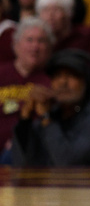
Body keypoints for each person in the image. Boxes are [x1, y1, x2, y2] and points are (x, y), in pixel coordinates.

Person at [11, 48, 90, 167]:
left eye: (72, 75)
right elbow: (23, 163)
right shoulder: (54, 114)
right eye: (57, 76)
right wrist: (25, 119)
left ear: (87, 82)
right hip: (53, 185)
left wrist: (46, 118)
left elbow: (68, 164)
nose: (63, 82)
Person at [0, 18, 53, 162]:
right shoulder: (2, 73)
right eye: (29, 40)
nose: (35, 47)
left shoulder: (53, 80)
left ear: (49, 48)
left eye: (41, 41)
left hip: (29, 151)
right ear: (16, 45)